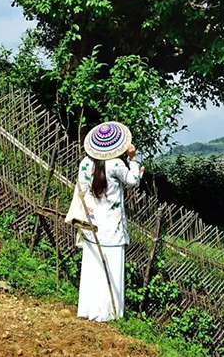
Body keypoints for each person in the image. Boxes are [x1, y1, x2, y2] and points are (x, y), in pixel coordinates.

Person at [74, 121, 143, 321]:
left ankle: (88, 310)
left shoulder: (85, 163)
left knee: (92, 269)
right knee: (112, 269)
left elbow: (81, 188)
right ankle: (109, 313)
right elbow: (133, 181)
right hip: (112, 228)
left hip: (91, 226)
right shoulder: (116, 164)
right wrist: (133, 159)